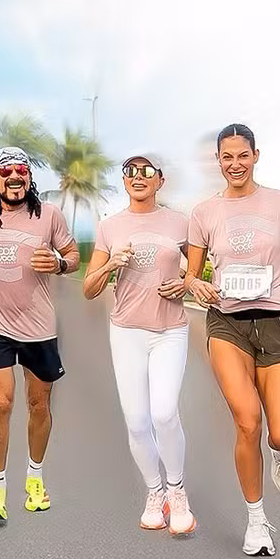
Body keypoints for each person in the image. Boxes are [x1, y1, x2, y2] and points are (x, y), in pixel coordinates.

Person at [183, 124, 280, 556]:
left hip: (275, 322)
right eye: (227, 157)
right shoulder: (204, 212)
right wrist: (195, 285)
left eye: (243, 156)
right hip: (226, 323)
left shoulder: (279, 203)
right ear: (218, 160)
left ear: (256, 155)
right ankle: (257, 521)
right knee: (247, 421)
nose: (235, 164)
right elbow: (190, 272)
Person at [0, 146, 80, 523]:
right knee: (2, 402)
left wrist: (57, 262)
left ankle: (35, 480)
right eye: (5, 172)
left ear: (29, 177)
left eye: (21, 170)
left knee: (39, 405)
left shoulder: (49, 215)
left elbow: (72, 257)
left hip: (38, 326)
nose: (14, 177)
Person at [82, 155, 196, 535]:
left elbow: (197, 271)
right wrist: (110, 264)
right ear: (124, 181)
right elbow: (88, 287)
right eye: (130, 172)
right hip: (127, 331)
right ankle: (155, 491)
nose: (138, 177)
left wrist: (186, 281)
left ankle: (178, 491)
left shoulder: (181, 222)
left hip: (170, 330)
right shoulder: (110, 227)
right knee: (136, 420)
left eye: (147, 171)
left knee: (164, 413)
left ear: (160, 180)